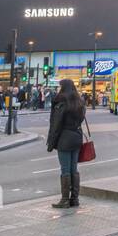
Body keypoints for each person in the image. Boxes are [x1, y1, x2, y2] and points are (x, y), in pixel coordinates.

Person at [46, 78, 86, 208]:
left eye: (60, 87)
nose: (58, 89)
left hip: (65, 138)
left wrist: (51, 142)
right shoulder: (79, 102)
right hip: (77, 138)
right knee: (73, 168)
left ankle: (64, 200)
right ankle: (74, 199)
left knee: (65, 169)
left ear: (63, 88)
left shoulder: (61, 102)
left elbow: (56, 125)